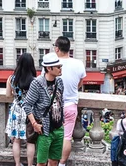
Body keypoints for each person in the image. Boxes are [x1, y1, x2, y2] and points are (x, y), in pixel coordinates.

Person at [23, 53, 65, 166]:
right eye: (58, 67)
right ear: (49, 68)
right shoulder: (37, 83)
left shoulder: (60, 82)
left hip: (59, 128)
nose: (61, 69)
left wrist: (63, 119)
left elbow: (61, 101)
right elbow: (27, 104)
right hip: (44, 129)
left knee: (54, 161)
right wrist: (34, 124)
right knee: (41, 162)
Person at [53, 37, 86, 166]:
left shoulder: (52, 63)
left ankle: (52, 162)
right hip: (70, 104)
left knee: (52, 136)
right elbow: (80, 82)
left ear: (57, 48)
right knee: (67, 137)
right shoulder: (78, 63)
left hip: (54, 104)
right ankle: (62, 164)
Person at [6, 53, 37, 166]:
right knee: (30, 140)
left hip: (16, 110)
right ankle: (30, 164)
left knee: (16, 140)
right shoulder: (35, 80)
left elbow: (8, 95)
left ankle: (18, 164)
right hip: (30, 112)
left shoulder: (12, 79)